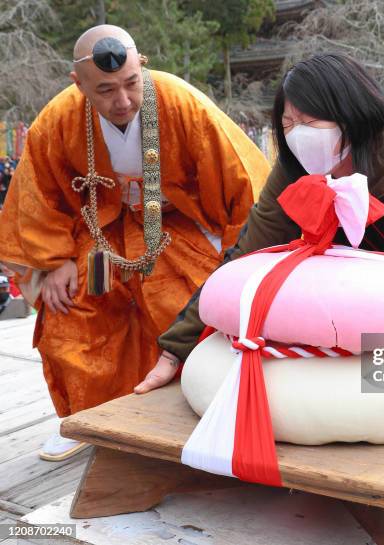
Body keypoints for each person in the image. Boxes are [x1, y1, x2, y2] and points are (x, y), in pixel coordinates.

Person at [142, 53, 384, 474]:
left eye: (309, 121)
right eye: (287, 125)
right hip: (331, 316)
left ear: (347, 112)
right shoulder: (295, 168)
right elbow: (244, 255)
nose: (296, 135)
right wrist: (176, 349)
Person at [0, 25, 270, 461]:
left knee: (184, 303)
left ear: (141, 65)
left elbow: (243, 182)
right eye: (105, 90)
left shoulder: (182, 104)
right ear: (79, 84)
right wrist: (54, 262)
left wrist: (240, 264)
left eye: (130, 83)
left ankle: (188, 412)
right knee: (72, 306)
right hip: (97, 230)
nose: (122, 101)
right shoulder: (59, 118)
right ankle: (87, 416)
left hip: (173, 227)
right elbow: (39, 193)